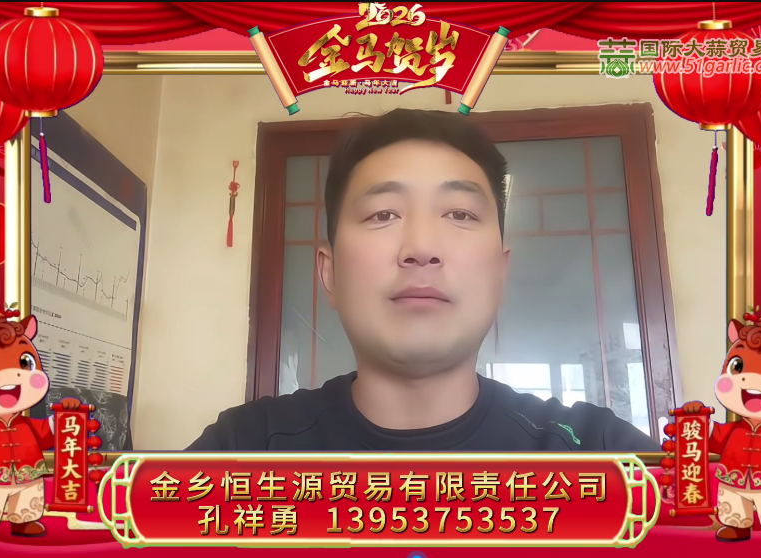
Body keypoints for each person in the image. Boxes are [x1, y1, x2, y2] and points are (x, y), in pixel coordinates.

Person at [189, 109, 659, 452]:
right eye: (383, 214)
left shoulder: (600, 453)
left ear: (500, 272)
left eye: (460, 213)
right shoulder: (242, 449)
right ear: (329, 273)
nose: (420, 247)